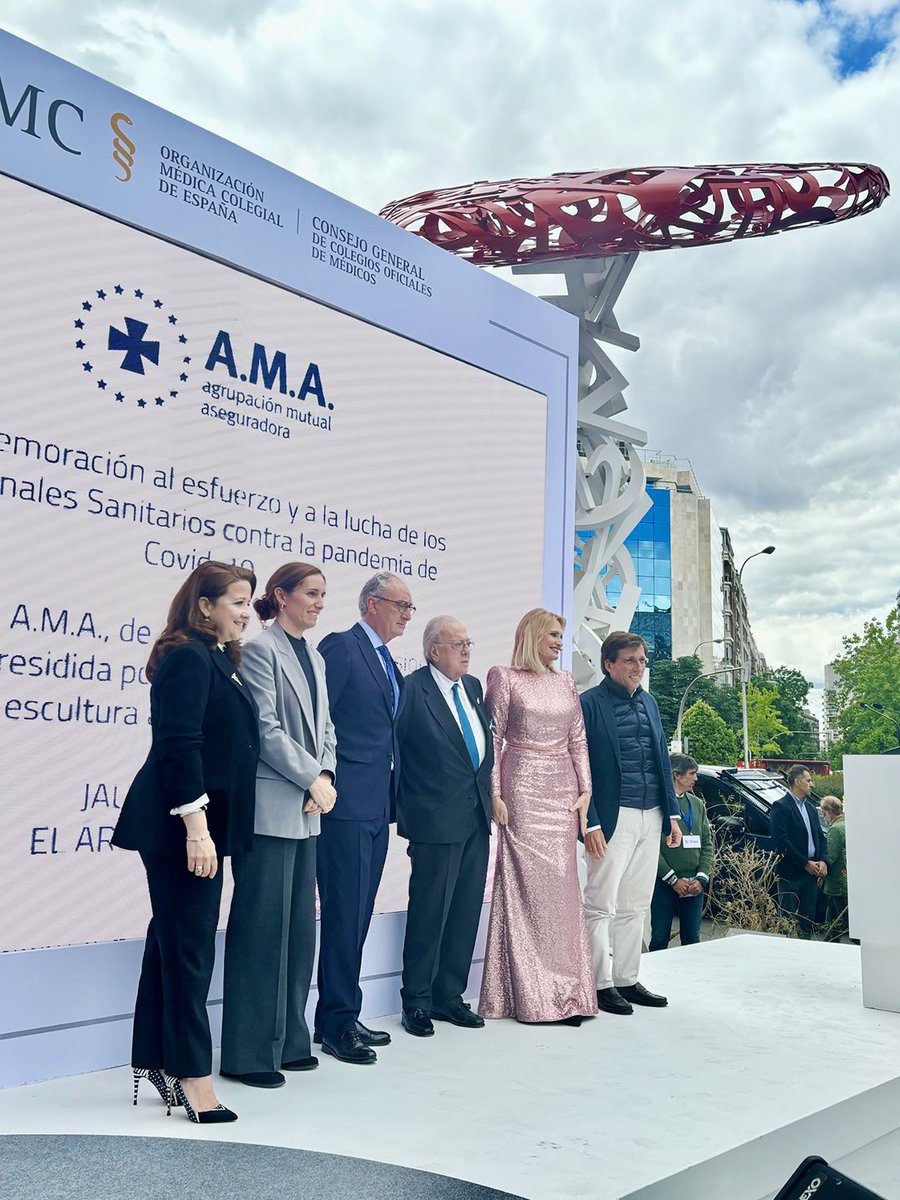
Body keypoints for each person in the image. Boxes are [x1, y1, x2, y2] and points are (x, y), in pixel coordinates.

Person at [111, 562, 258, 1124]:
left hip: (202, 825)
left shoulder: (219, 656)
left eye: (248, 602)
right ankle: (196, 1078)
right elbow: (179, 745)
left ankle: (157, 1060)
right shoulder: (187, 658)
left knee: (171, 941)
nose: (246, 612)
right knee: (190, 950)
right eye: (237, 602)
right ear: (204, 605)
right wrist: (197, 829)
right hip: (180, 829)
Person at [220, 562, 337, 1088]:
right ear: (280, 596)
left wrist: (326, 774)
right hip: (271, 811)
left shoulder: (314, 655)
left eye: (322, 595)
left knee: (297, 935)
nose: (318, 603)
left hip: (308, 811)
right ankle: (248, 1053)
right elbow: (265, 731)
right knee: (262, 932)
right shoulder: (260, 651)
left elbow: (326, 727)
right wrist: (314, 778)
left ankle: (290, 1040)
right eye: (311, 594)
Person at [479, 608, 597, 1025]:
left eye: (561, 636)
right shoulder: (504, 677)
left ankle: (569, 994)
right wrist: (494, 793)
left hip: (562, 794)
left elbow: (578, 737)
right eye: (553, 635)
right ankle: (533, 996)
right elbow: (492, 739)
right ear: (532, 635)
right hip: (522, 789)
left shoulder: (565, 680)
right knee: (527, 891)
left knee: (563, 894)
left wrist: (586, 788)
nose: (559, 643)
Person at [315, 571, 413, 1063]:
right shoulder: (342, 647)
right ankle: (334, 1025)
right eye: (401, 605)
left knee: (357, 914)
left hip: (377, 806)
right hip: (345, 805)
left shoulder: (385, 660)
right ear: (372, 604)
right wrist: (323, 780)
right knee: (343, 913)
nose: (407, 615)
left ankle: (343, 1013)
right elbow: (318, 719)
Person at [396, 616, 493, 1037]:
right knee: (429, 911)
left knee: (465, 909)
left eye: (468, 643)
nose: (467, 651)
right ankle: (416, 1000)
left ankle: (449, 996)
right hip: (433, 820)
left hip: (475, 816)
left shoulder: (472, 689)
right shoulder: (411, 690)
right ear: (434, 650)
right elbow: (399, 754)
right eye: (458, 644)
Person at [580, 631, 683, 1015]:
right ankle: (599, 983)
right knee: (600, 903)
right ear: (609, 665)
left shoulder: (651, 704)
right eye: (630, 661)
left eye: (642, 660)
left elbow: (660, 758)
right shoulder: (588, 704)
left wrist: (671, 815)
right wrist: (589, 822)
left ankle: (626, 978)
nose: (638, 667)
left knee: (636, 905)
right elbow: (580, 768)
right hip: (612, 815)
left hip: (651, 813)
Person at [649, 754, 714, 951]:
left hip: (694, 884)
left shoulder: (697, 804)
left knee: (692, 940)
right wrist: (673, 880)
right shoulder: (657, 804)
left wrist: (701, 879)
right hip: (664, 884)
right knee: (659, 939)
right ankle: (656, 981)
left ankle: (690, 981)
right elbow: (651, 846)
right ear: (676, 775)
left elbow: (707, 844)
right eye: (692, 774)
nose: (696, 779)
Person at [770, 764, 828, 938]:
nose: (812, 784)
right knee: (788, 922)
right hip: (791, 874)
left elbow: (821, 838)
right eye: (809, 780)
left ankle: (805, 959)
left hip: (810, 875)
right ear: (797, 781)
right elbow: (782, 842)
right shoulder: (781, 806)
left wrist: (824, 860)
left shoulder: (810, 808)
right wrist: (804, 863)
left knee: (806, 922)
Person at [821, 795, 848, 940]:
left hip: (837, 881)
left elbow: (830, 857)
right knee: (832, 920)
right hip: (841, 879)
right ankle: (829, 943)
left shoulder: (835, 830)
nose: (824, 817)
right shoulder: (846, 824)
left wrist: (820, 872)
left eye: (824, 814)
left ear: (829, 811)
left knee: (842, 920)